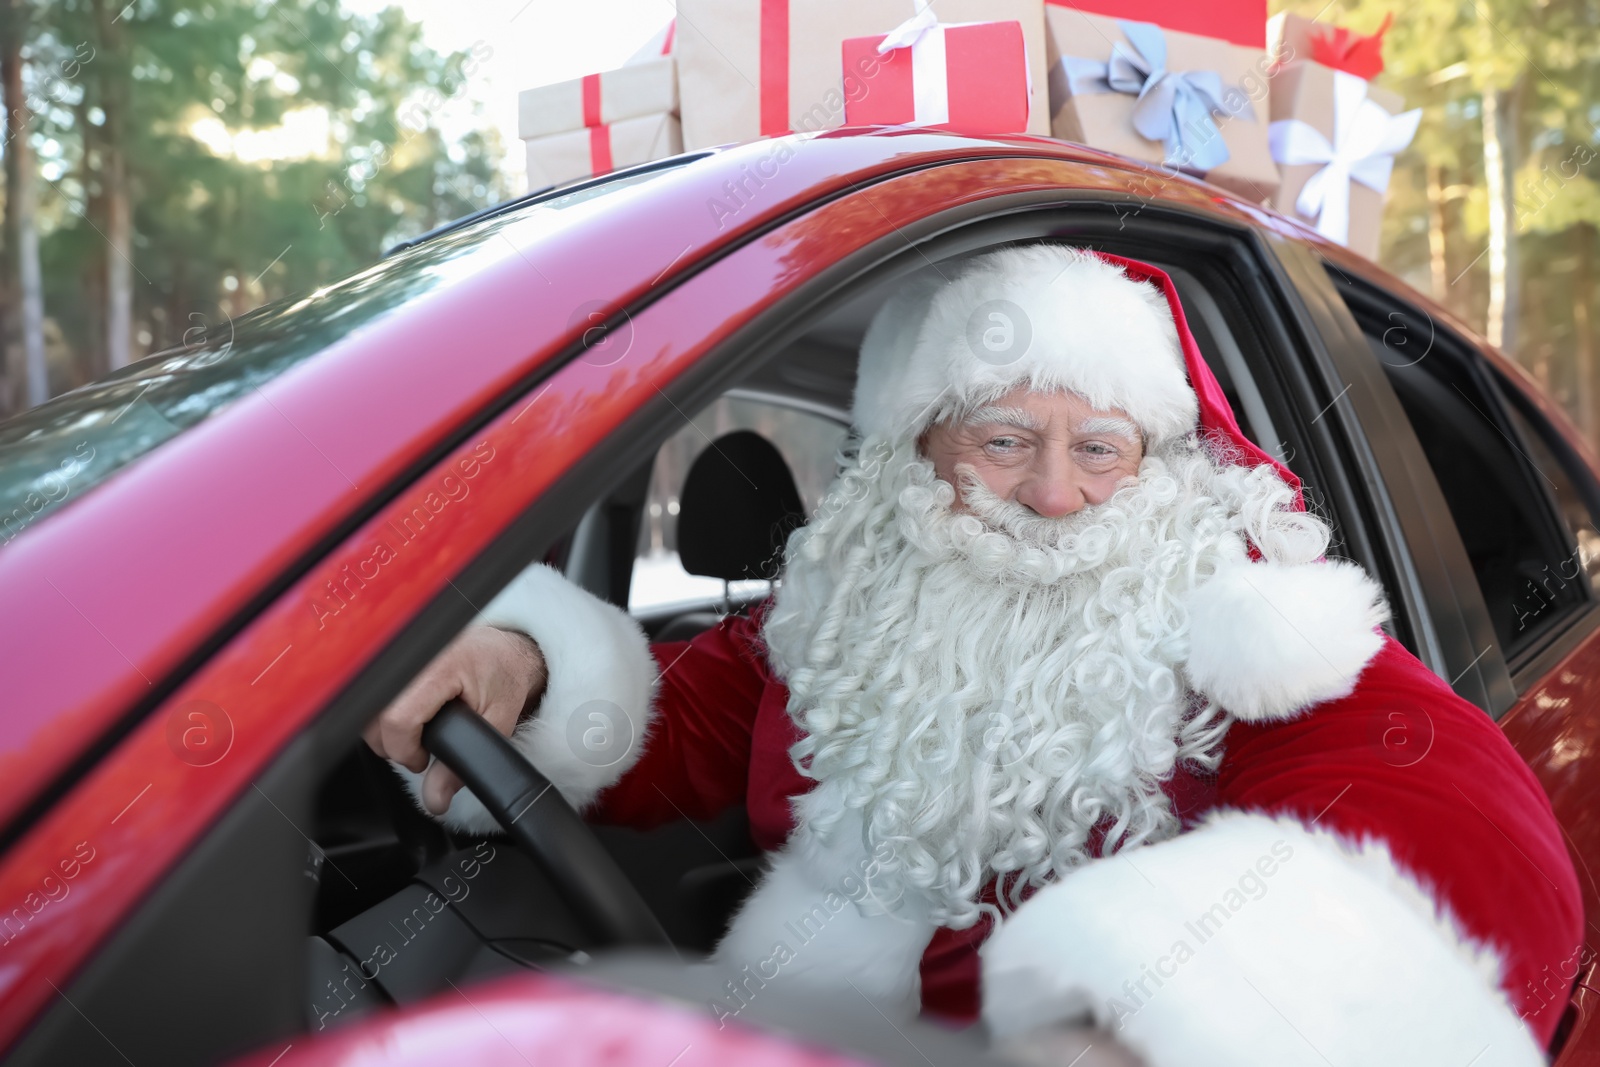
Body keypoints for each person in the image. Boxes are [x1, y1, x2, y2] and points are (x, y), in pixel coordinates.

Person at [364, 245, 1581, 1065]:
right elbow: (664, 738)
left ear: (1154, 464)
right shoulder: (842, 608)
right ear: (918, 449)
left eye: (1101, 448)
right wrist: (523, 664)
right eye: (1005, 439)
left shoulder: (1240, 617)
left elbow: (1476, 850)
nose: (1057, 495)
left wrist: (1156, 1019)